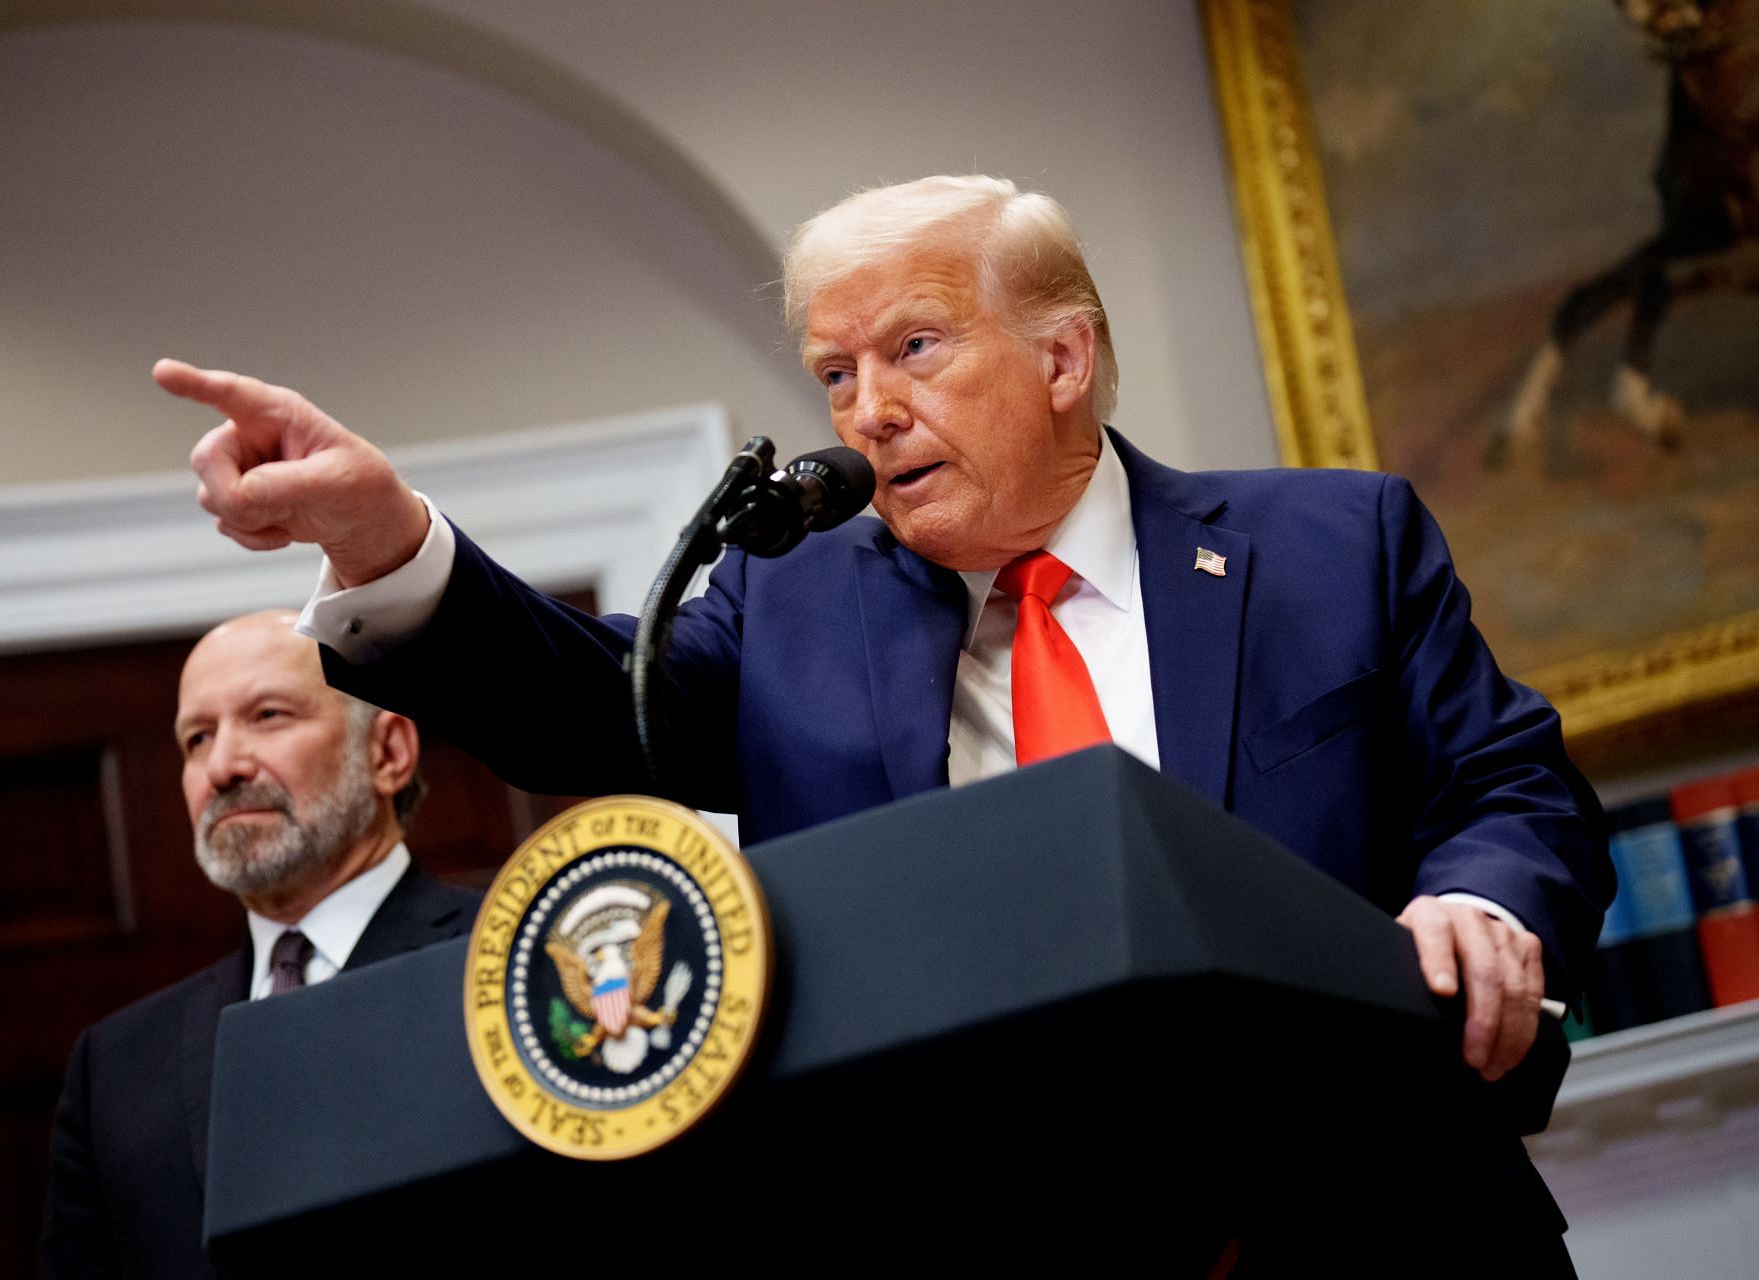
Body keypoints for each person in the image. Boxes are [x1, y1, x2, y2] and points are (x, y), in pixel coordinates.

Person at [155, 176, 1610, 1264]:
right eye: (835, 375)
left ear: (1063, 357)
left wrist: (1480, 901)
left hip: (1380, 1230)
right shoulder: (791, 609)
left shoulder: (1330, 549)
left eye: (915, 349)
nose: (868, 411)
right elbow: (595, 707)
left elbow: (1510, 786)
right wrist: (386, 538)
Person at [38, 612, 480, 1280]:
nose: (222, 766)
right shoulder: (117, 1066)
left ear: (388, 752)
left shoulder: (511, 963)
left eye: (268, 715)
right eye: (197, 738)